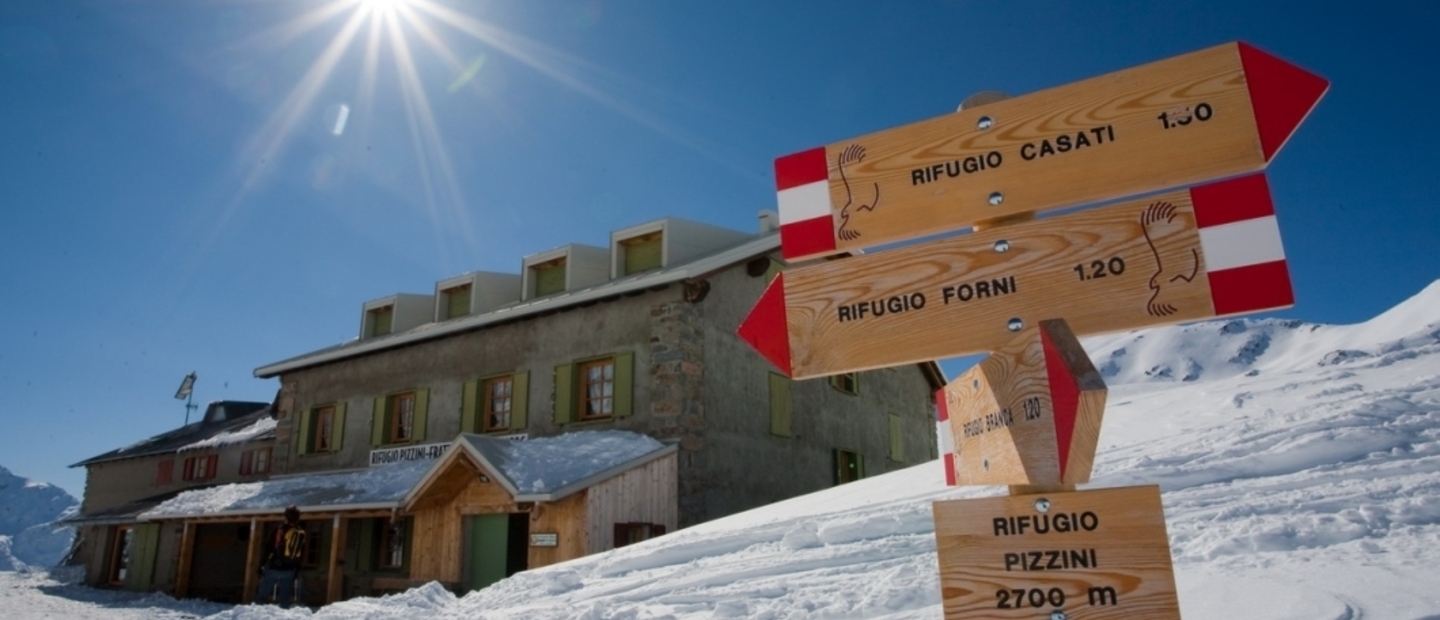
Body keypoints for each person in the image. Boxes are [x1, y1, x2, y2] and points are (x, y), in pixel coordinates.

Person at [256, 505, 307, 608]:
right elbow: (301, 551)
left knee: (263, 593)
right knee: (285, 597)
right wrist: (298, 566)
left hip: (275, 566)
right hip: (291, 568)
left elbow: (269, 548)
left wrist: (261, 564)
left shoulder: (280, 530)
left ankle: (255, 613)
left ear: (285, 517)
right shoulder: (300, 531)